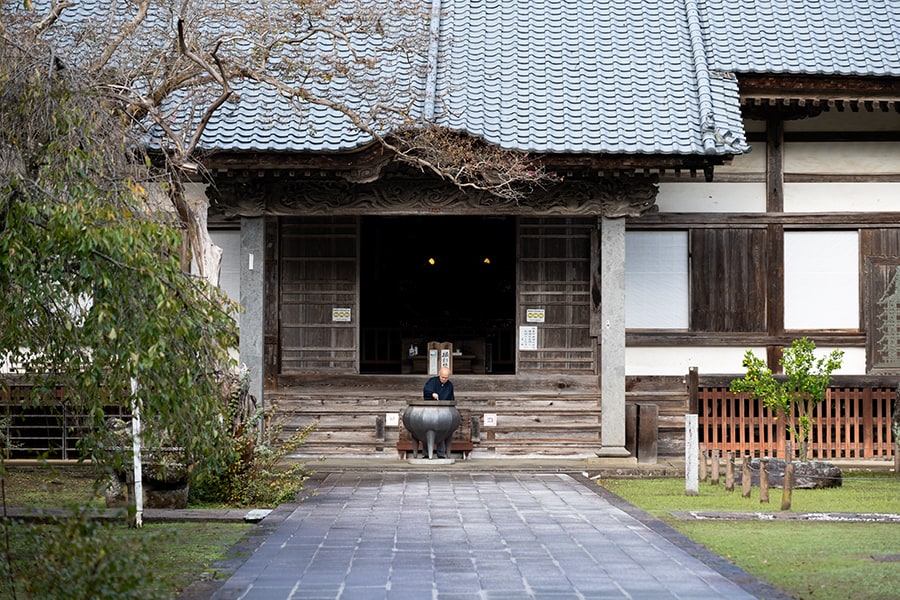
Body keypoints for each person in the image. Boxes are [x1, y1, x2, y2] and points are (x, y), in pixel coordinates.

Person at [422, 367, 454, 457]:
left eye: (446, 378)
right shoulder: (432, 381)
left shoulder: (449, 385)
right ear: (439, 375)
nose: (444, 379)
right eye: (442, 377)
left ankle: (441, 453)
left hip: (443, 411)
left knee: (442, 432)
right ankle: (426, 453)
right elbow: (426, 391)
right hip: (430, 410)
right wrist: (432, 394)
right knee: (427, 431)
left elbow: (451, 398)